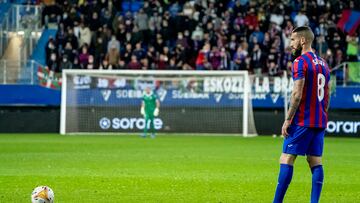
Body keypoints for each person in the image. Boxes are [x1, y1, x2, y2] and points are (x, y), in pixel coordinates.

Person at [273, 26, 330, 203]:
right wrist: (322, 114)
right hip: (319, 120)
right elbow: (327, 96)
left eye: (292, 40)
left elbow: (297, 94)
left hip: (302, 120)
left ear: (302, 40)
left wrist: (288, 119)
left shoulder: (300, 62)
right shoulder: (324, 64)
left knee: (286, 157)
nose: (290, 44)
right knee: (315, 161)